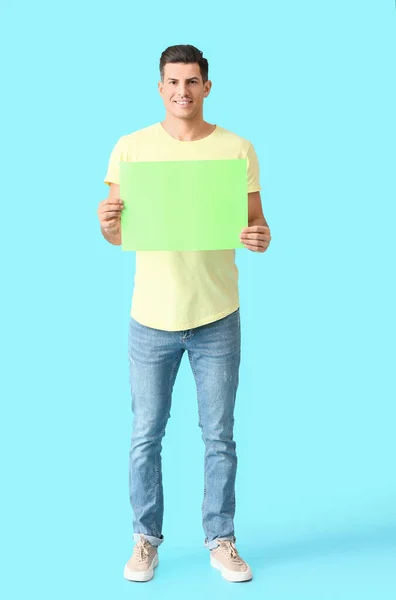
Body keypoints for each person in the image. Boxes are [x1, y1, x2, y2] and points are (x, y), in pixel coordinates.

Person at [97, 44, 271, 583]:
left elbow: (258, 226)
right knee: (146, 433)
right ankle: (145, 540)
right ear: (159, 88)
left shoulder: (236, 149)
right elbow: (119, 233)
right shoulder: (131, 148)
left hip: (217, 313)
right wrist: (106, 224)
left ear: (207, 87)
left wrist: (261, 238)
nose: (182, 91)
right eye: (173, 82)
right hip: (151, 315)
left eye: (192, 81)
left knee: (219, 435)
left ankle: (221, 539)